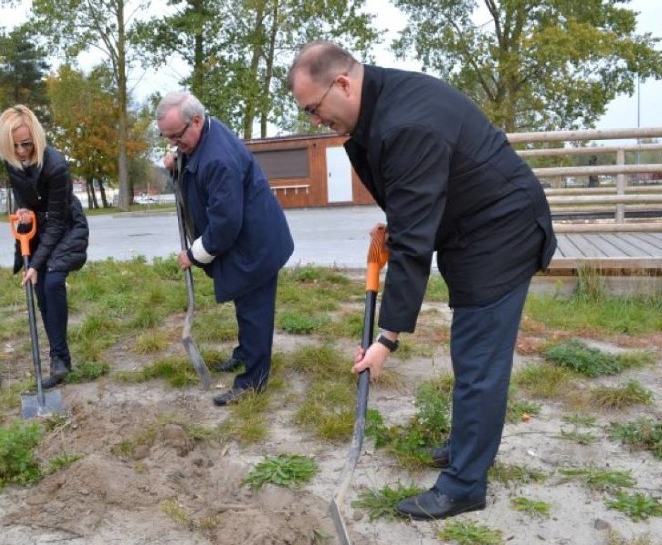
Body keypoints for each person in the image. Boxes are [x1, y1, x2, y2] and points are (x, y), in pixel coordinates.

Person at [288, 42, 557, 520]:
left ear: (343, 84)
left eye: (314, 109)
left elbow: (415, 245)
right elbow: (413, 198)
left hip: (502, 231)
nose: (314, 121)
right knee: (470, 352)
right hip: (471, 224)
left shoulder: (406, 121)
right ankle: (467, 446)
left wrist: (386, 339)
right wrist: (401, 223)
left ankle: (465, 485)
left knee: (478, 359)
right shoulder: (374, 107)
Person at [156, 91, 294, 407]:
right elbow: (194, 166)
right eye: (169, 139)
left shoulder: (219, 157)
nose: (176, 143)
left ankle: (253, 381)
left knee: (255, 311)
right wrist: (178, 163)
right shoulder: (202, 136)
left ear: (197, 120)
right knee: (244, 305)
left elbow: (225, 225)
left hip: (255, 245)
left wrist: (193, 254)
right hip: (246, 240)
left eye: (178, 137)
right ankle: (245, 353)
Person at [0, 105, 89, 389]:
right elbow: (25, 198)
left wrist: (35, 264)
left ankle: (58, 357)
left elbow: (59, 221)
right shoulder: (11, 163)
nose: (22, 151)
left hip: (66, 228)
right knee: (41, 293)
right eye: (15, 146)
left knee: (52, 281)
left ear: (36, 138)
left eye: (27, 144)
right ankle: (60, 359)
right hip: (37, 231)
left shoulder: (56, 166)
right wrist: (24, 211)